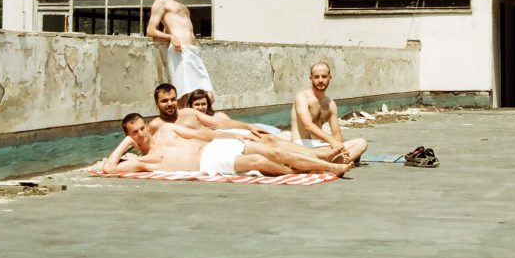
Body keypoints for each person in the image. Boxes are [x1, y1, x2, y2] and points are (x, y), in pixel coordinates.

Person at [104, 114, 352, 178]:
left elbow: (202, 134)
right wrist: (123, 146)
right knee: (261, 163)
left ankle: (327, 164)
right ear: (130, 137)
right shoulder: (143, 162)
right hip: (210, 163)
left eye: (141, 128)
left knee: (274, 151)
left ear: (147, 125)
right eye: (134, 133)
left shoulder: (168, 129)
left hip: (215, 148)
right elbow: (109, 170)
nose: (141, 134)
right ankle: (320, 169)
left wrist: (232, 136)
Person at [156, 83, 343, 164]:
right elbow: (138, 141)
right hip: (209, 151)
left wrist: (247, 127)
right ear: (157, 104)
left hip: (223, 140)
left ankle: (317, 155)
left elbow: (219, 122)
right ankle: (317, 157)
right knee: (268, 147)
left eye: (172, 99)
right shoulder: (156, 125)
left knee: (267, 139)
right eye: (165, 101)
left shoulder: (189, 113)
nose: (170, 104)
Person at [147, 0, 213, 105]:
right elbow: (150, 30)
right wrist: (171, 37)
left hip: (193, 52)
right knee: (184, 95)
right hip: (179, 51)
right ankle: (178, 124)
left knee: (208, 96)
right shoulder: (161, 1)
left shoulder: (182, 5)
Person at [291, 62, 368, 162]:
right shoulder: (302, 97)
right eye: (316, 77)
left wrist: (339, 148)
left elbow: (336, 133)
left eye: (324, 76)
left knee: (361, 143)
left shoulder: (330, 104)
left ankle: (335, 160)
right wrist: (332, 141)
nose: (320, 80)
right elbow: (308, 126)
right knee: (285, 136)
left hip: (320, 147)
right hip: (301, 146)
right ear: (311, 78)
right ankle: (336, 161)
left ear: (329, 78)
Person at [184, 88, 287, 138]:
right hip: (244, 136)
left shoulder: (218, 116)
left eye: (203, 104)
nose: (201, 108)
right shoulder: (191, 123)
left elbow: (236, 127)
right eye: (197, 104)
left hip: (250, 130)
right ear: (190, 106)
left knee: (283, 136)